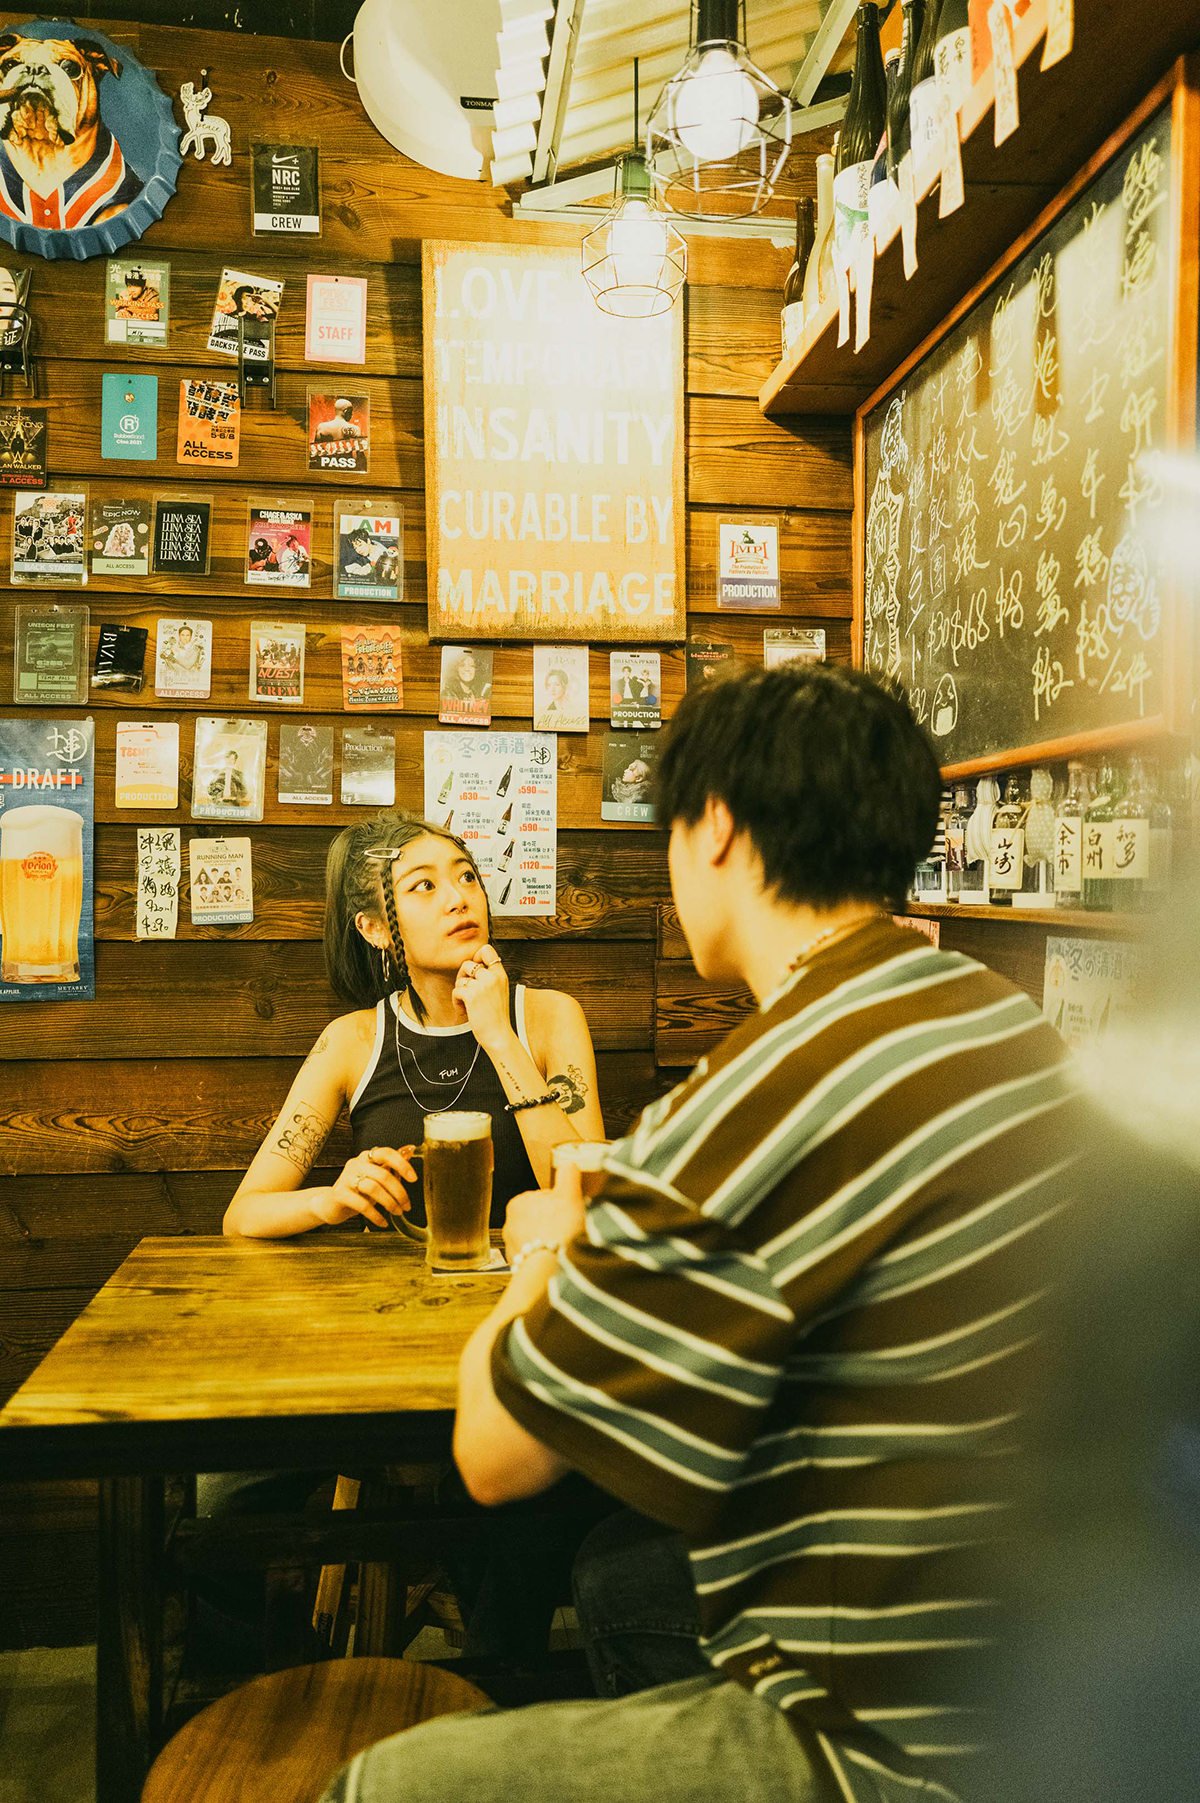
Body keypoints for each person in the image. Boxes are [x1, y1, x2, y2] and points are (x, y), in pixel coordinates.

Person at [319, 663, 1093, 1803]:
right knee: (622, 1574)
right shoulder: (998, 1018)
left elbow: (494, 1454)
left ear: (716, 828)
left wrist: (543, 1239)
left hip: (906, 1726)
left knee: (391, 1785)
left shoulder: (752, 1091)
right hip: (1060, 1629)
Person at [224, 812, 605, 1237]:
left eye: (466, 877)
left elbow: (589, 1198)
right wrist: (328, 1202)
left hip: (525, 1271)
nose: (458, 898)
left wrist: (499, 1036)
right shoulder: (352, 1041)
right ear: (375, 928)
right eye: (424, 885)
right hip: (391, 1279)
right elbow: (242, 1217)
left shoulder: (550, 1016)